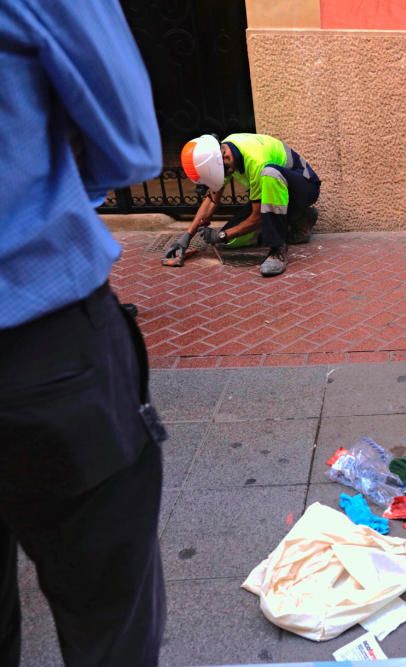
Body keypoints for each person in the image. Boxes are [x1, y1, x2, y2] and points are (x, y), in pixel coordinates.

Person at [0, 1, 167, 665]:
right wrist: (49, 194)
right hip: (40, 352)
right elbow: (130, 145)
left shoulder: (272, 167)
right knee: (111, 628)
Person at [168, 133, 321, 277]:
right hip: (279, 194)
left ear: (225, 156)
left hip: (304, 188)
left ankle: (277, 249)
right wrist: (186, 237)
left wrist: (221, 235)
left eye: (224, 173)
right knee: (232, 240)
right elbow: (211, 200)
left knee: (270, 173)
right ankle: (299, 220)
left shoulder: (256, 161)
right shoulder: (221, 154)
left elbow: (257, 217)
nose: (225, 176)